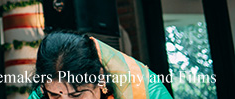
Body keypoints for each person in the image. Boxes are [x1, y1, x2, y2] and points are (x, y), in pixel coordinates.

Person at [31, 30, 173, 98]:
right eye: (56, 96)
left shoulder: (146, 91)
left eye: (77, 95)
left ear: (100, 78)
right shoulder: (42, 94)